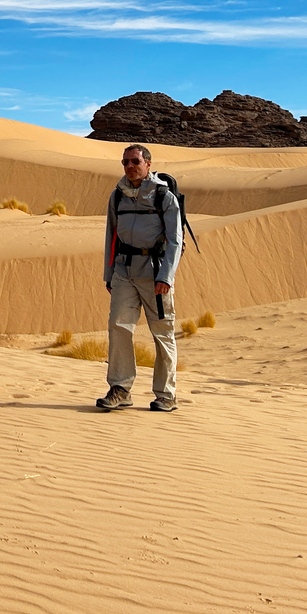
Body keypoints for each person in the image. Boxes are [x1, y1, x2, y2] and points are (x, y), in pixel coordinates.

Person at [96, 144, 182, 413]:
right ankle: (120, 388)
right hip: (124, 271)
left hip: (154, 273)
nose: (129, 166)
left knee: (162, 333)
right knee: (119, 327)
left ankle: (166, 394)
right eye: (125, 162)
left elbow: (174, 240)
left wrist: (166, 276)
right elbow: (111, 235)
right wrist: (109, 274)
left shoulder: (164, 196)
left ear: (148, 163)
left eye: (135, 161)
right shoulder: (118, 196)